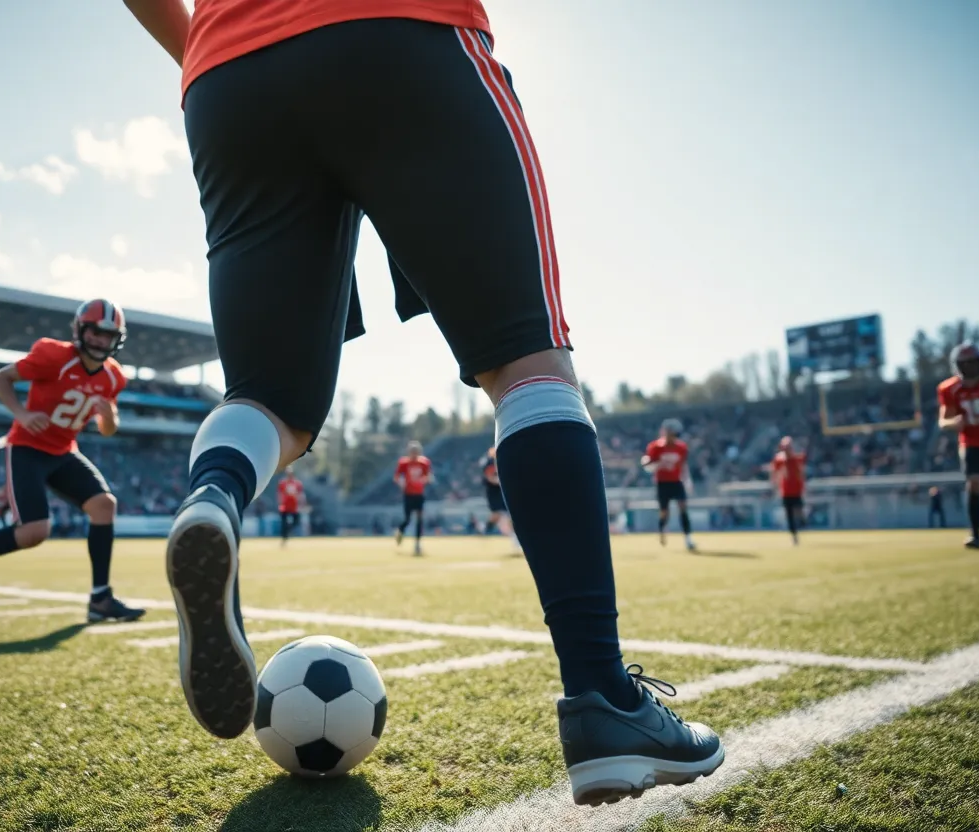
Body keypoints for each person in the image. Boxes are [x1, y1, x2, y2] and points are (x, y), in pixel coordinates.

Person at [122, 0, 722, 805]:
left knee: (270, 402)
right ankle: (602, 702)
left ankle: (216, 493)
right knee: (527, 364)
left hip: (230, 73)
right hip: (399, 33)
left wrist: (206, 43)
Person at [0, 299, 145, 623]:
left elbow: (108, 430)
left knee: (104, 505)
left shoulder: (113, 378)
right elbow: (1, 378)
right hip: (28, 446)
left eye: (108, 335)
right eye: (95, 331)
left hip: (63, 450)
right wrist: (22, 413)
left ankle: (100, 598)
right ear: (79, 329)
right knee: (34, 532)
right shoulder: (53, 356)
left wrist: (110, 416)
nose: (101, 340)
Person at [937, 343, 979, 549]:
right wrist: (953, 424)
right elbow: (943, 420)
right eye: (965, 364)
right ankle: (975, 535)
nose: (970, 368)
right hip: (972, 442)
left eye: (973, 363)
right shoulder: (949, 388)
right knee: (974, 483)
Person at [642, 419, 697, 551]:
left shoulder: (681, 447)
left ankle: (688, 538)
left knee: (683, 507)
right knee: (664, 512)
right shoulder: (655, 447)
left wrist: (688, 481)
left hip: (676, 482)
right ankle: (662, 531)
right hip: (662, 483)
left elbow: (683, 465)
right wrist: (657, 464)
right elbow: (647, 464)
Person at [394, 440, 433, 555]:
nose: (414, 454)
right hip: (408, 494)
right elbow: (397, 477)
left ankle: (417, 544)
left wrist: (425, 480)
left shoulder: (424, 463)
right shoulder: (403, 463)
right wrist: (401, 483)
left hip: (419, 494)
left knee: (420, 519)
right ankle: (400, 531)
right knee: (407, 519)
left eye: (416, 452)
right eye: (412, 452)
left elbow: (427, 476)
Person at [769, 436, 807, 544]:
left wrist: (803, 487)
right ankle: (794, 534)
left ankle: (802, 523)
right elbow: (774, 473)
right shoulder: (779, 459)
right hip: (786, 491)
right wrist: (774, 486)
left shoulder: (797, 458)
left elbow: (801, 473)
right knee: (789, 514)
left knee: (799, 510)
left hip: (796, 490)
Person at [276, 466, 305, 546]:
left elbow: (300, 494)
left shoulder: (297, 483)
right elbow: (279, 494)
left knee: (296, 522)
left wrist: (301, 503)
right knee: (283, 524)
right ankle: (284, 538)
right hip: (284, 506)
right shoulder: (282, 483)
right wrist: (280, 503)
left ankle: (288, 530)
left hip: (294, 507)